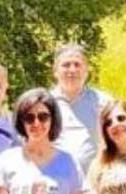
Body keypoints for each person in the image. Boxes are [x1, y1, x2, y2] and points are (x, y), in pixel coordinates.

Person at [48, 43, 112, 174]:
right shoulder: (44, 103)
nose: (72, 70)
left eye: (77, 65)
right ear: (55, 71)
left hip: (94, 182)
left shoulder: (104, 102)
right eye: (66, 65)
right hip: (54, 182)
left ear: (87, 71)